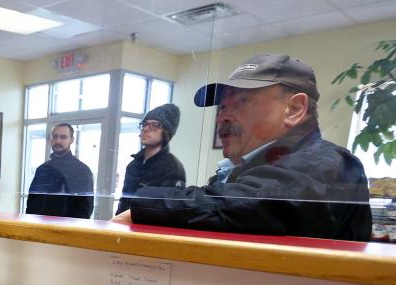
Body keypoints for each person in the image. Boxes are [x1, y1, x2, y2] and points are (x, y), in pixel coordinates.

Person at [113, 54, 371, 241]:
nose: (222, 117)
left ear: (294, 109)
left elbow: (252, 204)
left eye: (243, 101)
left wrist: (144, 206)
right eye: (223, 106)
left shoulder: (326, 163)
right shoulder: (246, 168)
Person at [115, 104, 186, 214]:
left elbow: (169, 210)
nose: (146, 129)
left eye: (154, 125)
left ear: (167, 132)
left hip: (149, 229)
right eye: (145, 124)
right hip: (124, 228)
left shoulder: (172, 167)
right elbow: (124, 201)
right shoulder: (133, 165)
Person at [26, 123, 95, 218]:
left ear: (71, 140)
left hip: (65, 229)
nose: (57, 141)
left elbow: (84, 210)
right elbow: (31, 203)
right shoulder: (42, 169)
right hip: (39, 228)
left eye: (63, 137)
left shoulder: (82, 171)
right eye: (55, 137)